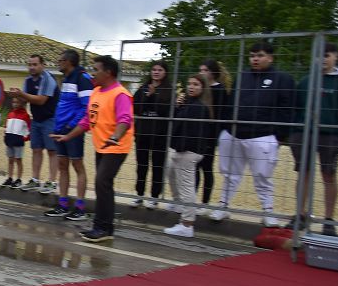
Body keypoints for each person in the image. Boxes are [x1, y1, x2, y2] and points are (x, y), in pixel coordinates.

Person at [210, 41, 295, 226]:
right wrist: (225, 129)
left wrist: (279, 136)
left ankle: (268, 212)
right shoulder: (242, 77)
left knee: (262, 177)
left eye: (260, 55)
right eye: (252, 55)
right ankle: (223, 207)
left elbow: (287, 109)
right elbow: (231, 103)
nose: (255, 59)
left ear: (270, 58)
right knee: (230, 174)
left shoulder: (283, 79)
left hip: (262, 136)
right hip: (234, 134)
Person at [53, 55, 134, 243]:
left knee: (102, 182)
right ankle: (104, 227)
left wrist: (115, 137)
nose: (92, 73)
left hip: (116, 146)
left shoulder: (120, 94)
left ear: (109, 73)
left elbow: (125, 120)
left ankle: (102, 227)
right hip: (102, 146)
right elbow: (86, 121)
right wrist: (68, 136)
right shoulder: (96, 92)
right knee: (103, 185)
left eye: (96, 69)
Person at [289, 42, 338, 236]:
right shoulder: (305, 81)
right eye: (319, 56)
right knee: (303, 173)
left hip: (331, 135)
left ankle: (328, 219)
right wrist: (295, 129)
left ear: (336, 56)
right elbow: (296, 108)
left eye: (327, 55)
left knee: (329, 175)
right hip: (304, 133)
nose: (323, 59)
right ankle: (300, 215)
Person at [163, 74, 217, 238]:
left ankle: (187, 224)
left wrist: (181, 147)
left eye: (196, 84)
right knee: (179, 181)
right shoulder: (191, 104)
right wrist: (179, 106)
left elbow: (191, 131)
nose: (191, 87)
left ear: (203, 88)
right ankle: (184, 217)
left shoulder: (198, 107)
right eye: (190, 84)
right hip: (184, 150)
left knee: (187, 186)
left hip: (188, 151)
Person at [47, 49, 93, 220]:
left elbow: (86, 106)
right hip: (60, 129)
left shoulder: (82, 78)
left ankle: (80, 207)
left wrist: (71, 126)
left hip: (72, 131)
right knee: (62, 166)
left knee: (77, 166)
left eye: (61, 60)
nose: (58, 62)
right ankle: (63, 204)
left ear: (69, 62)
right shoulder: (66, 79)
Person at [8, 54, 58, 194]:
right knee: (36, 149)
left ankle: (52, 182)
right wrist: (15, 95)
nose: (32, 67)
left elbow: (41, 100)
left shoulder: (48, 79)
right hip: (36, 119)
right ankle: (35, 180)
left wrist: (21, 94)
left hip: (50, 118)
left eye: (35, 64)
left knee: (52, 151)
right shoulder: (28, 80)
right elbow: (25, 100)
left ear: (43, 65)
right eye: (29, 64)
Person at [132, 61, 173, 208]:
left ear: (165, 72)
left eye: (160, 70)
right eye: (154, 69)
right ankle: (139, 194)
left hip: (159, 135)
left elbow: (166, 111)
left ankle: (154, 197)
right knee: (141, 165)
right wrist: (148, 96)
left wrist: (153, 96)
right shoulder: (143, 88)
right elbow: (136, 108)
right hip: (143, 133)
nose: (156, 72)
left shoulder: (168, 90)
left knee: (158, 166)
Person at [195, 59, 231, 214]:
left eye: (205, 70)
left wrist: (215, 135)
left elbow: (220, 115)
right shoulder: (200, 88)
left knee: (206, 168)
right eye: (200, 70)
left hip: (210, 135)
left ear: (213, 72)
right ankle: (191, 200)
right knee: (194, 167)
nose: (202, 73)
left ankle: (205, 203)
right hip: (197, 133)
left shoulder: (220, 90)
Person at [1, 95, 30, 187]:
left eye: (17, 102)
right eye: (13, 102)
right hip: (10, 139)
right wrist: (6, 135)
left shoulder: (25, 116)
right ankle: (10, 178)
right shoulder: (10, 114)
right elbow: (6, 126)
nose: (15, 104)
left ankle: (18, 179)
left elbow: (28, 130)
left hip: (18, 141)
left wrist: (23, 138)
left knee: (18, 160)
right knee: (10, 159)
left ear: (21, 103)